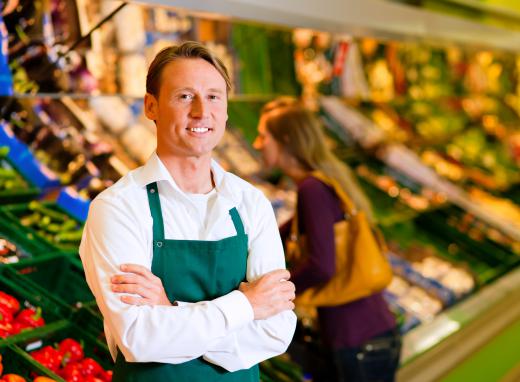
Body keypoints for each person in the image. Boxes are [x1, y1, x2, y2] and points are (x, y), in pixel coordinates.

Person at [79, 42, 297, 382]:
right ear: (151, 106)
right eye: (184, 96)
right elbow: (140, 337)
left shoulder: (251, 203)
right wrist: (246, 306)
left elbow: (277, 331)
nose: (201, 111)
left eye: (213, 96)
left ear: (225, 110)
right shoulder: (118, 207)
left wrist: (170, 312)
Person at [253, 98, 401, 382]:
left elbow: (322, 266)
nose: (257, 144)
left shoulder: (312, 190)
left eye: (263, 136)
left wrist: (270, 297)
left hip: (355, 339)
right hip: (373, 332)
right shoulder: (325, 181)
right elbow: (283, 233)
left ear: (286, 140)